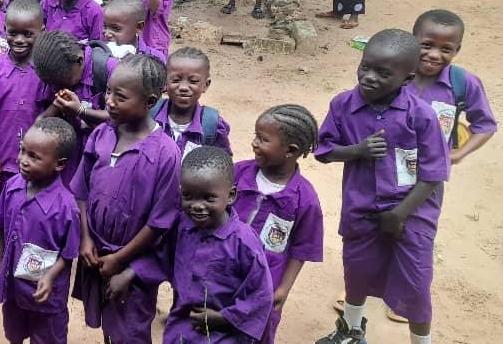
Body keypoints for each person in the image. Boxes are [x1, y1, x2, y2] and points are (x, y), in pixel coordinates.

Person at [313, 29, 450, 344]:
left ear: (407, 78)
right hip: (361, 208)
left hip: (412, 213)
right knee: (357, 270)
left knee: (416, 283)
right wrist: (356, 151)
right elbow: (323, 150)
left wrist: (400, 214)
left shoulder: (421, 116)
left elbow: (433, 174)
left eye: (383, 73)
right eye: (365, 67)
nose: (369, 77)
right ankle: (350, 331)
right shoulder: (343, 105)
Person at [70, 55, 180, 343]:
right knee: (108, 321)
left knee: (130, 331)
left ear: (149, 102)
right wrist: (85, 239)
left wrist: (121, 260)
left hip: (132, 263)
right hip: (96, 254)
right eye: (108, 91)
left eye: (120, 96)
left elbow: (160, 223)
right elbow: (81, 190)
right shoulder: (101, 135)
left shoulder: (166, 154)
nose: (109, 101)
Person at [127, 146, 275, 343]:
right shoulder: (182, 227)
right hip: (182, 328)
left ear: (231, 195)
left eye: (209, 197)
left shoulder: (244, 243)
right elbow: (162, 258)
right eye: (188, 196)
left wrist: (223, 318)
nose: (197, 205)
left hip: (225, 335)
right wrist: (132, 272)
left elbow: (261, 295)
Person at [233, 104, 324, 343]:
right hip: (224, 272)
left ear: (290, 150)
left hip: (264, 285)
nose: (254, 143)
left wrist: (283, 289)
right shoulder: (237, 174)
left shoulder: (304, 198)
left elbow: (302, 249)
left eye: (263, 139)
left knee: (256, 333)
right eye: (256, 136)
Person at [0, 117, 81, 344]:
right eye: (22, 150)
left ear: (59, 164)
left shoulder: (66, 207)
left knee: (46, 336)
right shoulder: (12, 187)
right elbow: (3, 228)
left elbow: (68, 254)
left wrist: (49, 277)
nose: (23, 160)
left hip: (45, 294)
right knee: (14, 331)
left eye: (34, 157)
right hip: (14, 286)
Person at [405, 10, 496, 162]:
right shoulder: (393, 74)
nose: (434, 54)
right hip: (385, 166)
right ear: (412, 41)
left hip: (433, 170)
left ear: (456, 50)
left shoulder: (462, 82)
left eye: (446, 49)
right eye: (426, 45)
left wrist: (457, 155)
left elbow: (485, 125)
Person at [33, 31, 117, 184]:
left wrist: (80, 111)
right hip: (69, 161)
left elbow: (120, 116)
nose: (58, 87)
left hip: (101, 160)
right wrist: (57, 105)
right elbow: (41, 121)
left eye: (63, 82)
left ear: (79, 61)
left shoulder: (109, 69)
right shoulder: (50, 70)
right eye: (53, 85)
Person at [0, 0, 47, 190]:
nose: (19, 40)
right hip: (4, 158)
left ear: (42, 31)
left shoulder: (47, 71)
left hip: (39, 162)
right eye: (12, 33)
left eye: (28, 34)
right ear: (4, 29)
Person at [150, 46, 232, 158]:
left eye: (193, 81)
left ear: (206, 85)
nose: (183, 87)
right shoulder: (149, 115)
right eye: (176, 80)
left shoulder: (212, 125)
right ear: (165, 82)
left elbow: (222, 162)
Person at [102, 0, 166, 62]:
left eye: (116, 28)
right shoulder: (100, 54)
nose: (107, 34)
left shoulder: (154, 58)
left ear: (139, 27)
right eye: (105, 26)